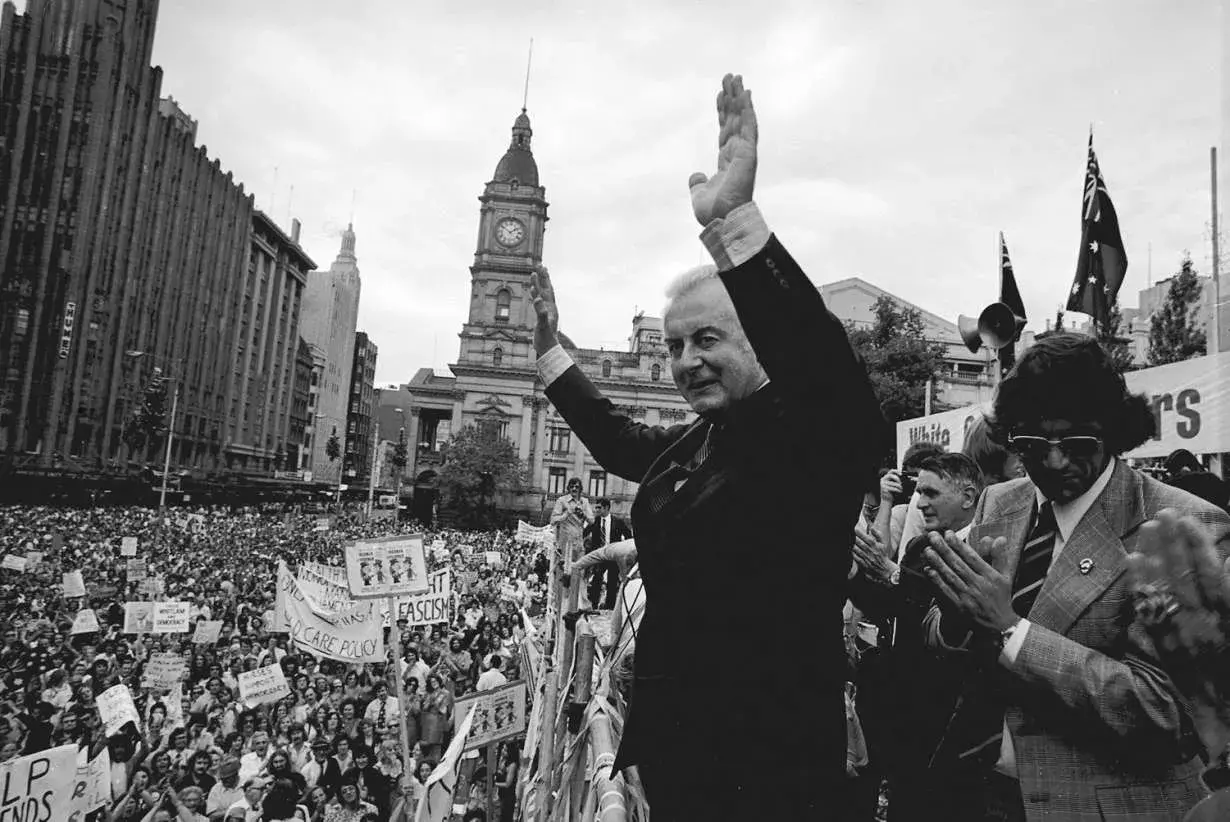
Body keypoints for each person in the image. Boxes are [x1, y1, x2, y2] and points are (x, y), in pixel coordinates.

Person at [529, 74, 885, 818]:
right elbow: (624, 442)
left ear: (759, 342)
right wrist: (550, 354)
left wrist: (737, 229)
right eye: (675, 346)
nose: (687, 360)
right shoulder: (706, 437)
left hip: (770, 761)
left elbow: (823, 367)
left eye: (709, 338)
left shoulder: (808, 432)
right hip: (682, 748)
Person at [920, 332, 1230, 819]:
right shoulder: (1001, 502)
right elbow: (941, 626)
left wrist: (1009, 630)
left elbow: (1168, 713)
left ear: (1114, 432)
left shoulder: (1180, 527)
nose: (1056, 459)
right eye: (1033, 444)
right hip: (976, 791)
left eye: (1078, 441)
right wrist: (959, 617)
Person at [582, 498, 632, 609]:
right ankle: (593, 605)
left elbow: (629, 535)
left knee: (612, 582)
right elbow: (583, 534)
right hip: (599, 555)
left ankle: (610, 607)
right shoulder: (594, 521)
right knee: (596, 581)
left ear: (606, 508)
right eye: (596, 507)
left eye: (599, 507)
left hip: (613, 556)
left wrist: (623, 550)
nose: (596, 509)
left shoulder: (617, 521)